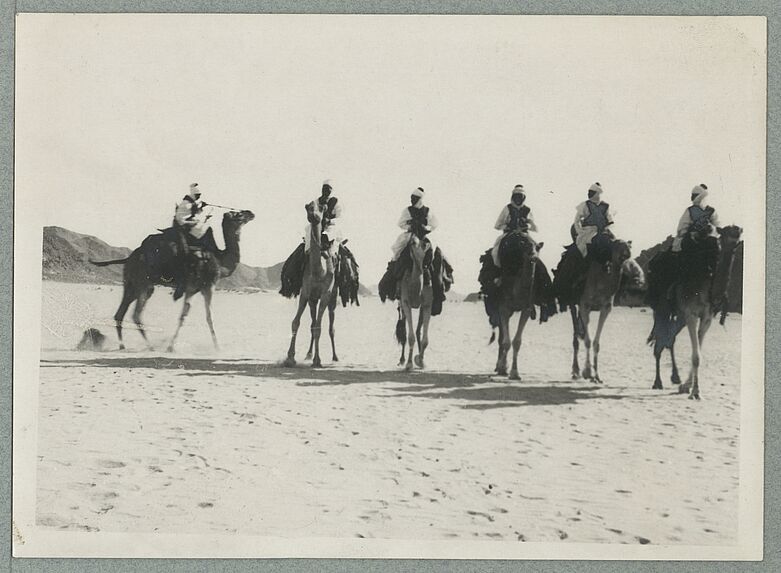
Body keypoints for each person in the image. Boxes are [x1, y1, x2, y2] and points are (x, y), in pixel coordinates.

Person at [491, 184, 537, 268]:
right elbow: (497, 225)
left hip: (524, 234)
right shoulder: (507, 208)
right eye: (516, 197)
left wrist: (527, 225)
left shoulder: (527, 210)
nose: (518, 199)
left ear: (523, 197)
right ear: (513, 197)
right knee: (495, 251)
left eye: (520, 197)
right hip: (509, 233)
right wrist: (507, 226)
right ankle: (498, 269)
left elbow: (535, 228)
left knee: (535, 248)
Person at [574, 182, 615, 267]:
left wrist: (607, 230)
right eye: (590, 192)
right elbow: (577, 220)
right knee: (585, 246)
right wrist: (580, 231)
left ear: (598, 193)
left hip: (603, 232)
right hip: (588, 232)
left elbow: (610, 221)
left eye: (592, 192)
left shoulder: (605, 206)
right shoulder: (585, 205)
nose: (590, 194)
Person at [391, 187, 438, 261]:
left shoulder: (427, 211)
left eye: (415, 198)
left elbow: (434, 224)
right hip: (411, 235)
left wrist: (426, 226)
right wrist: (410, 227)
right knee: (399, 251)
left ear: (420, 199)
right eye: (412, 198)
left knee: (433, 253)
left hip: (423, 236)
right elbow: (400, 223)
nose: (412, 201)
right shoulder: (408, 210)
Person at [304, 179, 343, 256]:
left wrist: (329, 221)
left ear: (331, 190)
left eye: (328, 189)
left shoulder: (336, 202)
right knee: (309, 229)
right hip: (318, 224)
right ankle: (308, 250)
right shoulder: (316, 201)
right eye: (324, 189)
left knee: (330, 232)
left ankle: (329, 252)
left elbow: (340, 217)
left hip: (330, 225)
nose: (325, 191)